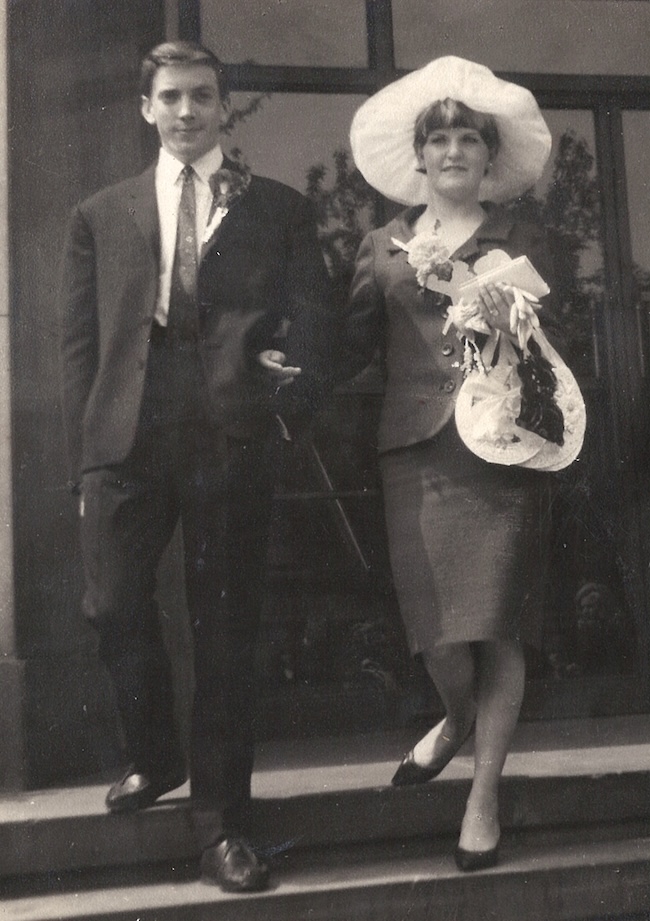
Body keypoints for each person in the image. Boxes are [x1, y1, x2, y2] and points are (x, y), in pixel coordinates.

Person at [58, 40, 334, 893]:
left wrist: (290, 394)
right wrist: (87, 458)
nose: (186, 111)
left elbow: (318, 322)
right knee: (109, 603)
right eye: (170, 97)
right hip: (126, 442)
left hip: (229, 436)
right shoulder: (99, 213)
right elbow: (78, 348)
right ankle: (154, 755)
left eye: (202, 97)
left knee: (223, 634)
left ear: (225, 107)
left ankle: (223, 827)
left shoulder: (278, 208)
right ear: (147, 108)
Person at [340, 56, 565, 871]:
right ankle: (455, 715)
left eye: (468, 138)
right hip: (414, 449)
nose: (452, 151)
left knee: (496, 624)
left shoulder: (525, 236)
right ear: (420, 156)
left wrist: (478, 287)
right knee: (436, 631)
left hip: (500, 450)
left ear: (486, 155)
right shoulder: (381, 244)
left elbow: (540, 337)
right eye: (438, 140)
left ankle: (482, 795)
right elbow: (353, 345)